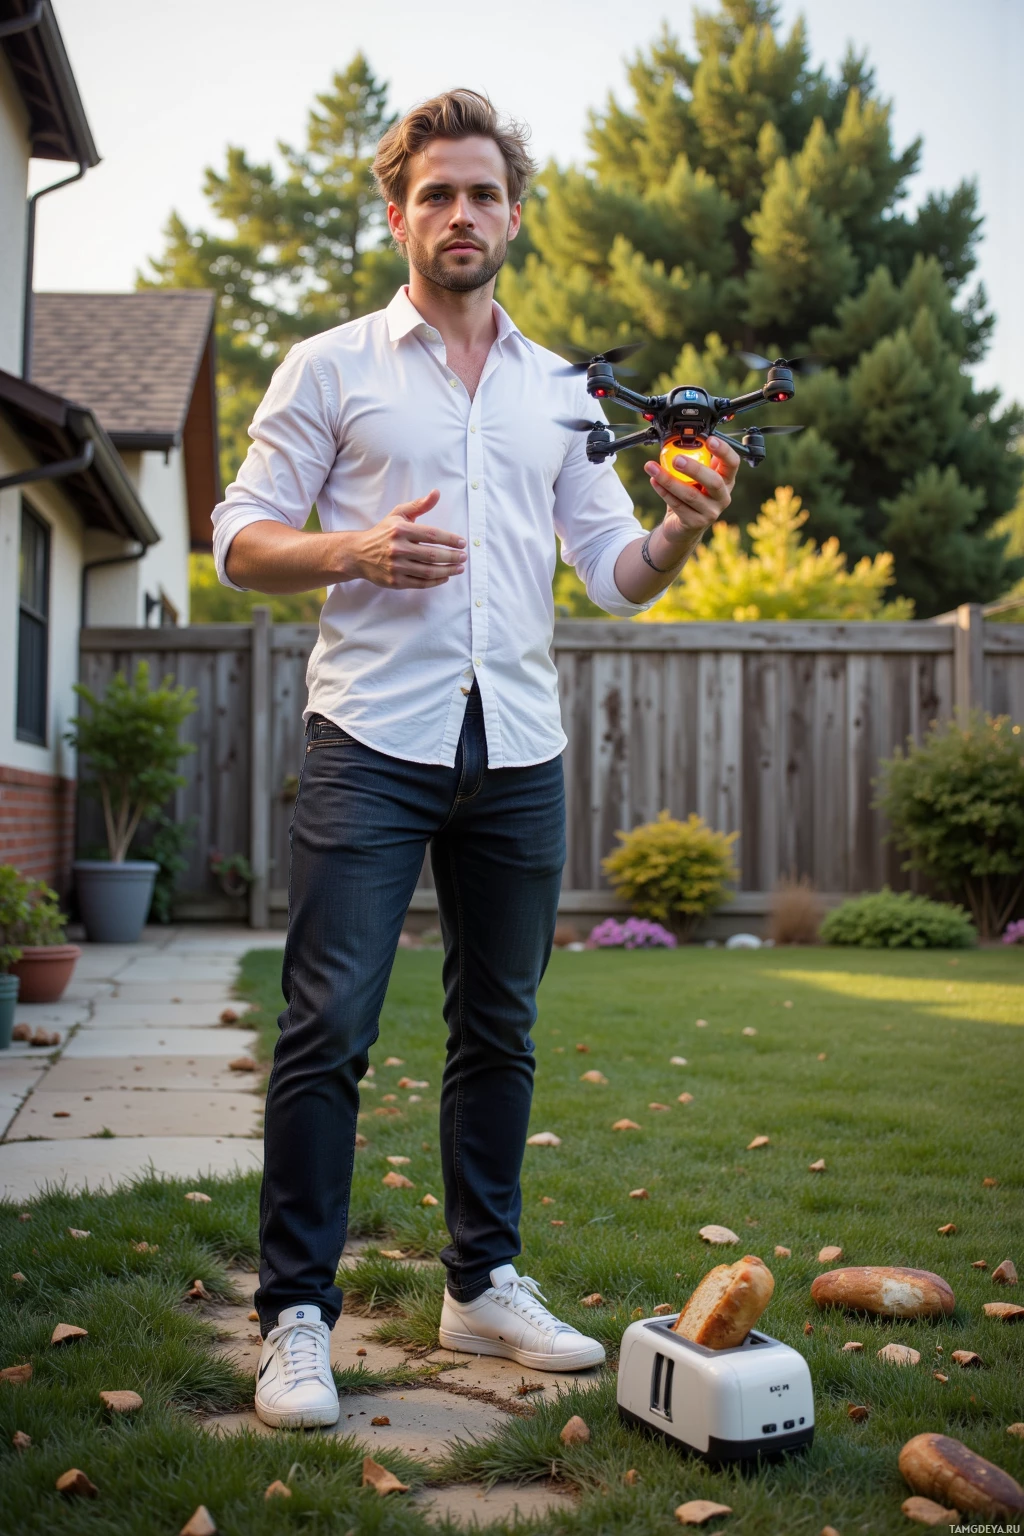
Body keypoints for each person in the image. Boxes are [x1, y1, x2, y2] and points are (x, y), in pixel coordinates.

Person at [211, 88, 738, 1429]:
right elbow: (238, 541)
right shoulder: (330, 368)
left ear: (514, 214)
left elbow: (616, 576)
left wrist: (679, 532)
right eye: (435, 193)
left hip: (517, 746)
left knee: (498, 1028)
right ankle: (295, 1318)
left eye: (483, 193)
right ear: (400, 213)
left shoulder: (564, 391)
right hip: (371, 739)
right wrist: (355, 549)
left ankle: (482, 1281)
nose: (461, 214)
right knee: (329, 1027)